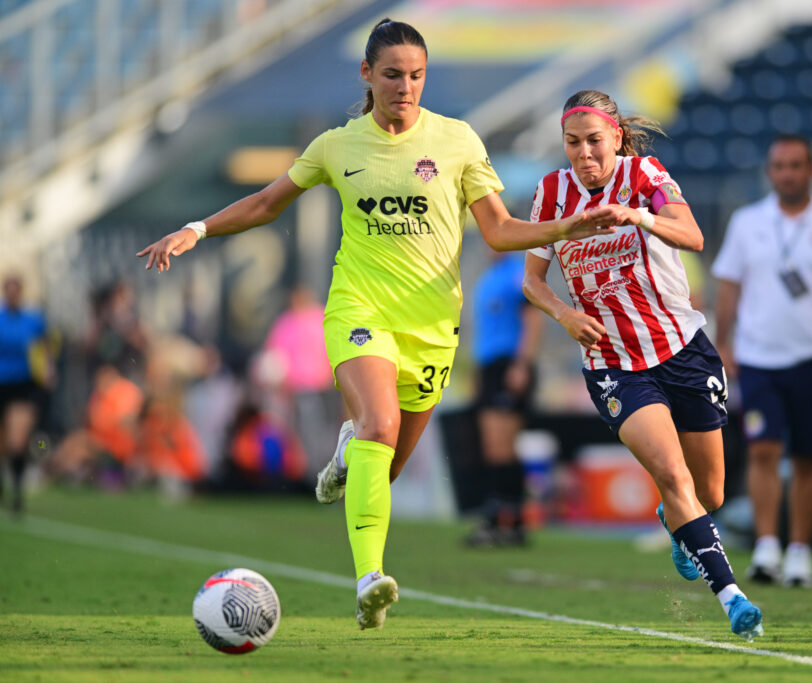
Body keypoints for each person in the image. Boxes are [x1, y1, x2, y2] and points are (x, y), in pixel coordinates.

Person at [137, 19, 611, 630]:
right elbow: (266, 204)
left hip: (433, 327)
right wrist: (197, 229)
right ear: (367, 74)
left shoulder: (458, 140)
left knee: (380, 466)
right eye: (392, 74)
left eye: (416, 75)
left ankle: (346, 450)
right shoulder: (338, 146)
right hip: (360, 310)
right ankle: (369, 580)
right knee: (378, 425)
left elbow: (498, 231)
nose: (405, 87)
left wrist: (562, 228)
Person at [522, 89, 764, 640]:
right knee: (674, 475)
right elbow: (532, 281)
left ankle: (675, 519)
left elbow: (694, 236)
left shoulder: (646, 174)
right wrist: (564, 314)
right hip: (614, 363)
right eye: (572, 143)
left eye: (593, 141)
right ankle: (732, 597)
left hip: (681, 348)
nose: (583, 153)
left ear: (615, 139)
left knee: (711, 494)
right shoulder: (551, 193)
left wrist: (639, 216)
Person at [712, 135, 812, 587]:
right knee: (763, 449)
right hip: (760, 354)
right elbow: (729, 286)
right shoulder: (748, 222)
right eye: (780, 165)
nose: (787, 173)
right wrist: (724, 343)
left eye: (796, 165)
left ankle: (800, 549)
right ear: (770, 172)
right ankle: (766, 547)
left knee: (808, 457)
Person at [465, 248, 543, 547]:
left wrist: (522, 364)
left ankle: (507, 521)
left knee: (502, 446)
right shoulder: (489, 276)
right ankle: (503, 518)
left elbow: (532, 319)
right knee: (491, 446)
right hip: (489, 368)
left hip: (508, 365)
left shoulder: (516, 273)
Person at [0, 274, 51, 515]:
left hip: (22, 385)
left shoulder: (33, 320)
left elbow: (45, 347)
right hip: (1, 384)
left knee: (17, 441)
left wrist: (47, 369)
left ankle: (18, 492)